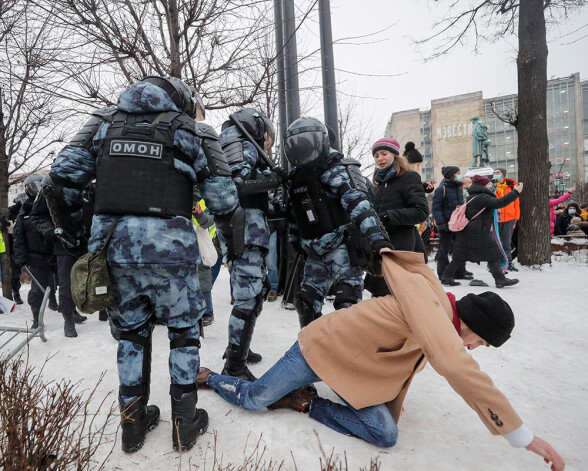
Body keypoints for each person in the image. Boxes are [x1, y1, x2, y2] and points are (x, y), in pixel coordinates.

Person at [197, 250, 565, 471]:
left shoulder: (440, 317)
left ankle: (303, 401)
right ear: (469, 324)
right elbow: (457, 367)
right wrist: (520, 435)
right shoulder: (432, 313)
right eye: (479, 340)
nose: (473, 348)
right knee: (255, 399)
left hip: (356, 369)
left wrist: (391, 400)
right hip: (320, 350)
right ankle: (211, 377)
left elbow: (405, 361)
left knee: (385, 433)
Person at [44, 76, 243, 453]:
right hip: (173, 254)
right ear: (179, 100)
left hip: (114, 250)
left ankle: (132, 426)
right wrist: (233, 245)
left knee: (131, 335)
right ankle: (185, 423)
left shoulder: (104, 124)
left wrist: (73, 235)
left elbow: (59, 182)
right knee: (184, 333)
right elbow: (224, 198)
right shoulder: (193, 131)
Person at [284, 117, 392, 328]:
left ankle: (350, 354)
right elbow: (294, 214)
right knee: (305, 302)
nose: (303, 152)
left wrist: (378, 240)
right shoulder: (296, 177)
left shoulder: (338, 169)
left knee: (347, 304)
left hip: (343, 245)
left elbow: (359, 205)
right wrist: (295, 241)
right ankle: (313, 348)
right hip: (315, 250)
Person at [218, 108, 285, 381]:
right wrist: (276, 178)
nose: (267, 140)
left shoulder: (231, 143)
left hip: (244, 229)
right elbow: (240, 183)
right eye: (266, 135)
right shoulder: (240, 142)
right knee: (247, 297)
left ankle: (238, 349)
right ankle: (234, 365)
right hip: (244, 231)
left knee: (254, 293)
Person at [366, 138, 428, 296]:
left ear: (394, 155)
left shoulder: (409, 177)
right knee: (380, 295)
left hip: (401, 245)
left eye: (384, 153)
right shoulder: (379, 184)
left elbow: (421, 211)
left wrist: (389, 216)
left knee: (397, 294)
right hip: (380, 246)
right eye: (376, 155)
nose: (380, 158)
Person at [442, 175, 522, 288]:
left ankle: (447, 277)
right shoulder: (482, 197)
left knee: (460, 256)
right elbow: (499, 203)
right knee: (492, 255)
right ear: (483, 185)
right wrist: (516, 192)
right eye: (488, 184)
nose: (490, 185)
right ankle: (500, 279)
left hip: (469, 231)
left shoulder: (474, 196)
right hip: (478, 232)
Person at [30, 191, 89, 337]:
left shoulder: (90, 183)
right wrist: (51, 231)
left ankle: (110, 316)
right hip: (64, 244)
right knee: (66, 284)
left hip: (91, 240)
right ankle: (68, 318)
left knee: (98, 278)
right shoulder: (51, 185)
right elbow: (37, 216)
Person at [12, 175, 58, 330]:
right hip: (36, 256)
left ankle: (70, 314)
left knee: (66, 285)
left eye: (40, 185)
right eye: (33, 187)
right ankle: (36, 319)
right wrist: (21, 260)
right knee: (37, 291)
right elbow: (18, 239)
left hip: (56, 253)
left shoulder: (51, 206)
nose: (37, 190)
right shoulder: (24, 213)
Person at [432, 166, 471, 282]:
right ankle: (443, 274)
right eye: (458, 173)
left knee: (460, 247)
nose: (460, 174)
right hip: (445, 224)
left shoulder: (458, 187)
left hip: (458, 223)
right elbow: (436, 207)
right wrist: (440, 223)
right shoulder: (441, 188)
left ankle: (460, 272)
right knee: (444, 249)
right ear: (451, 174)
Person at [493, 168, 520, 272]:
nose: (496, 174)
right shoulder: (492, 187)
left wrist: (516, 218)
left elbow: (516, 203)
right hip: (496, 218)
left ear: (503, 174)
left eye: (498, 172)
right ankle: (496, 264)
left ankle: (508, 263)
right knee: (496, 242)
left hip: (509, 218)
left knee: (506, 243)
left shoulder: (512, 186)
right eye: (494, 173)